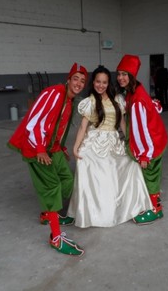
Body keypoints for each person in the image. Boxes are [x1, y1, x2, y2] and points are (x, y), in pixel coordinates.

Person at [7, 63, 88, 256]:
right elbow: (35, 120)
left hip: (53, 148)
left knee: (68, 179)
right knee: (52, 187)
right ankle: (56, 237)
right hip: (37, 147)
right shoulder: (55, 93)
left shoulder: (69, 100)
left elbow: (56, 126)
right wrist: (40, 150)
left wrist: (60, 147)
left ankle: (47, 213)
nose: (78, 83)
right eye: (75, 78)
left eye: (82, 81)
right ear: (68, 79)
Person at [67, 66, 152, 227]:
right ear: (93, 83)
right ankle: (96, 212)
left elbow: (122, 124)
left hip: (113, 141)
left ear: (108, 83)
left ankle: (128, 206)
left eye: (104, 82)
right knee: (91, 164)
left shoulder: (118, 100)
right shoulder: (90, 102)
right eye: (98, 82)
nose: (101, 85)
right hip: (95, 140)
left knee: (130, 163)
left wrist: (130, 143)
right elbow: (83, 127)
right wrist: (75, 147)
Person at [116, 54, 168, 224]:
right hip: (159, 139)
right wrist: (155, 104)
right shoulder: (136, 90)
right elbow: (152, 107)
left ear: (132, 76)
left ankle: (155, 209)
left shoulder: (137, 99)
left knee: (150, 174)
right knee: (152, 174)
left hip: (152, 143)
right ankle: (153, 201)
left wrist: (145, 154)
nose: (120, 78)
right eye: (119, 74)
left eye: (125, 74)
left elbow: (142, 130)